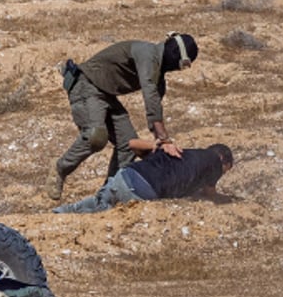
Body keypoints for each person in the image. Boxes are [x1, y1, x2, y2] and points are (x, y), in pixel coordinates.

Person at [47, 32, 198, 201]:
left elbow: (155, 110)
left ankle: (108, 194)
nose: (178, 69)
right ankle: (60, 168)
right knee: (95, 136)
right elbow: (150, 95)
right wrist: (165, 140)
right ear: (177, 57)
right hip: (86, 85)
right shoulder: (148, 54)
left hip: (106, 94)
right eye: (183, 65)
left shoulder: (158, 74)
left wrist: (160, 148)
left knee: (128, 145)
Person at [54, 140, 233, 214]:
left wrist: (158, 143)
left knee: (98, 203)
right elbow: (210, 194)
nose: (222, 174)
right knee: (102, 211)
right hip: (141, 192)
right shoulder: (213, 162)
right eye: (226, 171)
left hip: (124, 176)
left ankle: (59, 212)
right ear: (222, 160)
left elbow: (131, 143)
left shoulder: (178, 152)